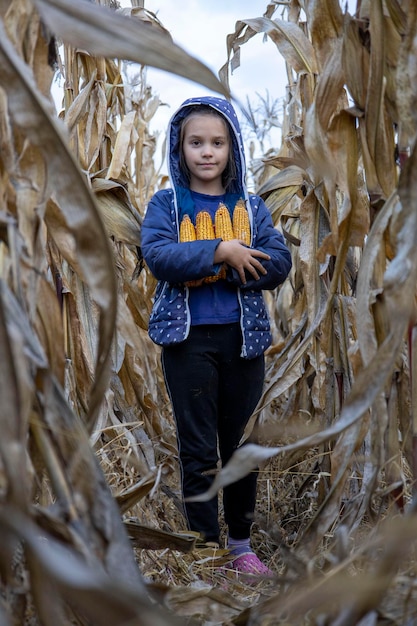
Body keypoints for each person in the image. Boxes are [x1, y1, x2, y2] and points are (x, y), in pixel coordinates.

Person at [141, 96, 292, 576]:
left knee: (240, 445)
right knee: (200, 446)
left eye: (218, 143)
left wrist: (229, 265)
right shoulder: (166, 204)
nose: (207, 152)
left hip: (242, 340)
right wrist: (221, 250)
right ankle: (205, 549)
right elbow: (159, 256)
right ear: (180, 147)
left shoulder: (251, 206)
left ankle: (241, 546)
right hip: (187, 343)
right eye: (196, 142)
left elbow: (279, 261)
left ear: (233, 149)